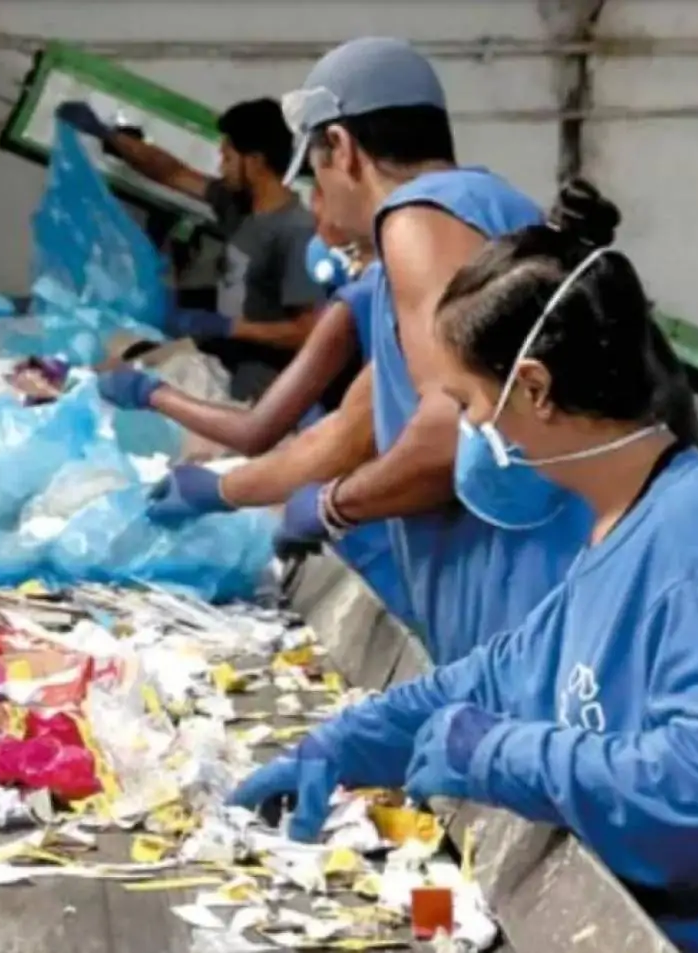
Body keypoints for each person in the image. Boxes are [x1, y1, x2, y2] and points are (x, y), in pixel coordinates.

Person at [231, 181, 698, 953]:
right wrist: (343, 744)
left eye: (468, 404)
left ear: (532, 387)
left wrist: (498, 752)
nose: (466, 430)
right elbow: (501, 674)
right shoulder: (620, 525)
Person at [143, 38, 598, 663]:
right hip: (525, 600)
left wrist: (332, 506)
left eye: (319, 171)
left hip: (526, 602)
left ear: (344, 149)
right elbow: (351, 431)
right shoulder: (486, 216)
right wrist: (224, 491)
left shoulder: (417, 218)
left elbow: (451, 437)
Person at [97, 183, 415, 625]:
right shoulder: (393, 287)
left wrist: (153, 395)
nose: (313, 211)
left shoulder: (369, 296)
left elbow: (264, 432)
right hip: (363, 514)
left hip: (382, 532)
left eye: (319, 195)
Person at [56, 97, 326, 401]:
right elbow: (171, 172)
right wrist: (107, 135)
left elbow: (310, 331)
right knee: (111, 361)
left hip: (258, 385)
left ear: (255, 161)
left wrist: (232, 327)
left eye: (227, 157)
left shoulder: (295, 232)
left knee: (133, 391)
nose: (221, 167)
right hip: (221, 355)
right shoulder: (238, 207)